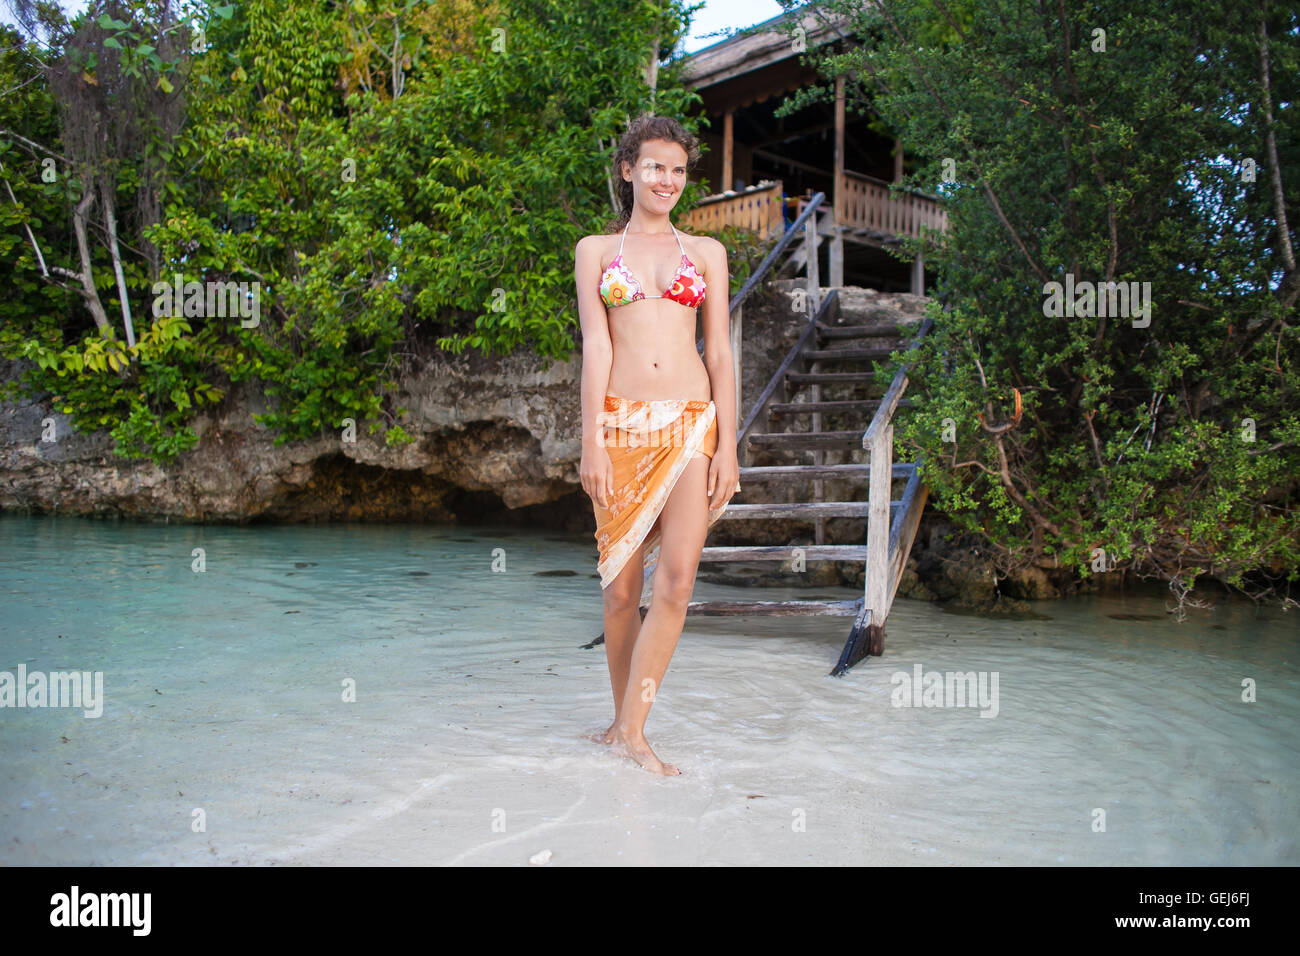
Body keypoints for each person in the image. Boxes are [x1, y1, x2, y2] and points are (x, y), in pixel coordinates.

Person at [574, 114, 741, 776]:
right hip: (619, 427)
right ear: (627, 170)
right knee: (618, 595)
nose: (667, 179)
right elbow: (595, 347)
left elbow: (721, 353)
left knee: (674, 581)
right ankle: (621, 726)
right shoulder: (594, 251)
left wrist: (728, 444)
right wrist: (590, 439)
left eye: (677, 169)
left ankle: (635, 731)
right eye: (654, 167)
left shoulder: (707, 254)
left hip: (691, 427)